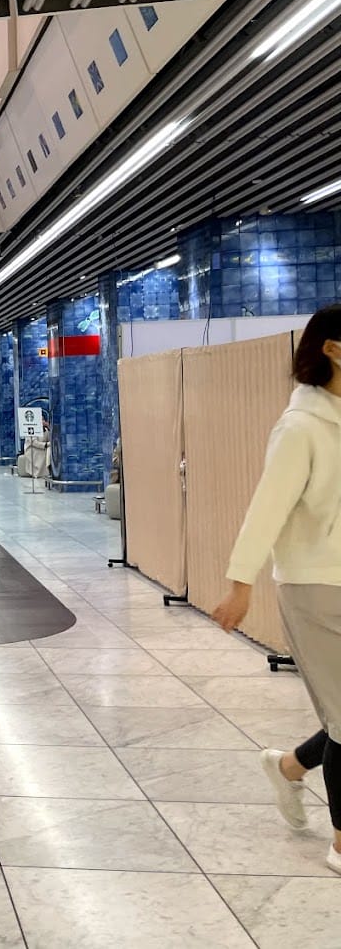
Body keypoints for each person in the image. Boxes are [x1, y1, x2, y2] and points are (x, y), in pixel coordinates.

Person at [212, 304, 341, 871]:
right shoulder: (300, 427)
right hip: (316, 589)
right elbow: (266, 511)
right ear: (333, 350)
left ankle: (289, 767)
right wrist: (240, 585)